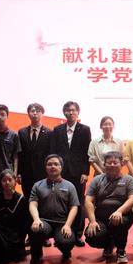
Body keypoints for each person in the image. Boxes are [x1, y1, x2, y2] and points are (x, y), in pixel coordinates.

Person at [84, 151, 133, 264]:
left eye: (115, 162)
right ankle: (108, 244)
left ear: (122, 164)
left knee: (118, 222)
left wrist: (119, 211)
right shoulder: (97, 180)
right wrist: (92, 221)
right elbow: (88, 201)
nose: (112, 165)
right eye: (109, 163)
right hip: (101, 218)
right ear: (104, 164)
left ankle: (121, 250)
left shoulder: (129, 180)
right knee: (92, 236)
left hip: (122, 216)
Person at [51, 101, 92, 246]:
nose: (71, 113)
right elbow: (54, 151)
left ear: (78, 112)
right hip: (61, 172)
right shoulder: (57, 130)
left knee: (78, 202)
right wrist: (55, 171)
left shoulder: (85, 129)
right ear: (64, 113)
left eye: (73, 110)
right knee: (61, 203)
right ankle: (61, 233)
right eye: (68, 110)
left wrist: (85, 172)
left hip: (78, 173)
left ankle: (78, 234)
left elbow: (87, 153)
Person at [28, 154, 80, 264]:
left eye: (56, 164)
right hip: (44, 222)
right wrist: (36, 219)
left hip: (62, 223)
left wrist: (67, 225)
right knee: (35, 230)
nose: (52, 166)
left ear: (61, 167)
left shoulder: (70, 186)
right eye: (49, 164)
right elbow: (32, 204)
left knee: (66, 241)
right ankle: (36, 255)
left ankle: (66, 252)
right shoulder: (37, 185)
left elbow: (74, 207)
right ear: (45, 167)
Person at [17, 103, 52, 200]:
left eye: (38, 111)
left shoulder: (49, 132)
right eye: (32, 111)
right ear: (28, 114)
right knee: (28, 198)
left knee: (43, 199)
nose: (35, 113)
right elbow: (20, 154)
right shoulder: (22, 132)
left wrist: (50, 173)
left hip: (43, 173)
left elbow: (50, 154)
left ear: (42, 114)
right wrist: (19, 173)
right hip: (26, 173)